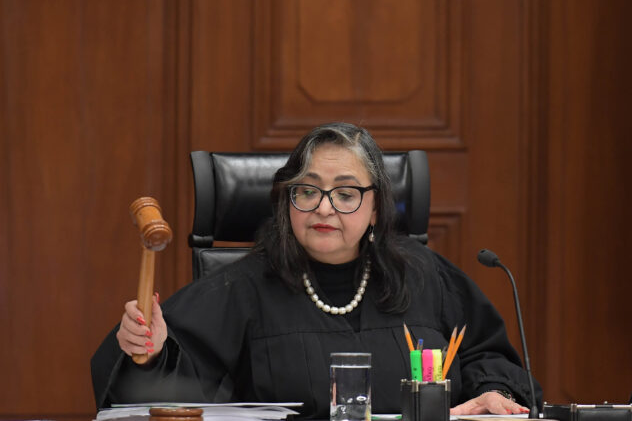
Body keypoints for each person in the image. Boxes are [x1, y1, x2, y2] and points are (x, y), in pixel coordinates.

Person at [91, 122, 543, 418]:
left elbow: (488, 357)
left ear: (376, 207)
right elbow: (165, 398)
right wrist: (151, 354)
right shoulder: (242, 287)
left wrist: (494, 398)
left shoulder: (425, 276)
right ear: (287, 202)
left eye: (345, 194)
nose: (324, 208)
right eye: (307, 191)